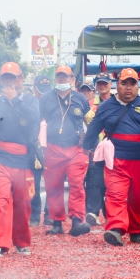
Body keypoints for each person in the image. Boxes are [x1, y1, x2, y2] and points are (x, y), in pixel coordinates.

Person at [84, 68, 140, 246]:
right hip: (116, 159)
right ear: (117, 85)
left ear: (138, 86)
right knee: (115, 194)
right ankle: (116, 228)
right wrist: (85, 148)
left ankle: (136, 230)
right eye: (124, 83)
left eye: (132, 83)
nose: (128, 87)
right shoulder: (105, 106)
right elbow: (93, 129)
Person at [0, 62, 40, 258]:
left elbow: (34, 118)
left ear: (21, 79)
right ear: (1, 80)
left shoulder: (30, 100)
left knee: (23, 204)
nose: (9, 81)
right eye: (5, 78)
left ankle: (22, 242)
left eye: (13, 77)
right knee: (0, 201)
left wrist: (15, 100)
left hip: (24, 160)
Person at [39, 65, 92, 237]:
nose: (62, 79)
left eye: (65, 76)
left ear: (72, 79)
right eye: (59, 76)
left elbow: (91, 121)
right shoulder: (45, 98)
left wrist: (90, 142)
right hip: (52, 148)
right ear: (55, 79)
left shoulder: (80, 98)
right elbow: (38, 122)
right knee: (53, 186)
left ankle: (77, 221)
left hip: (76, 148)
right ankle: (57, 223)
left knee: (77, 184)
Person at [81, 80, 105, 226]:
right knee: (91, 182)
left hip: (106, 148)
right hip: (90, 149)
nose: (85, 93)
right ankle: (92, 212)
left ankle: (107, 214)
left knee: (105, 183)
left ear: (93, 92)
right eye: (83, 91)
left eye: (88, 91)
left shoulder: (99, 107)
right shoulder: (83, 107)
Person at [30, 75, 50, 226]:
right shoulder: (30, 103)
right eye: (40, 90)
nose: (43, 94)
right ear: (34, 89)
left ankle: (50, 214)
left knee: (52, 183)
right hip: (34, 148)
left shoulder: (53, 103)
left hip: (51, 148)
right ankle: (35, 215)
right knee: (34, 184)